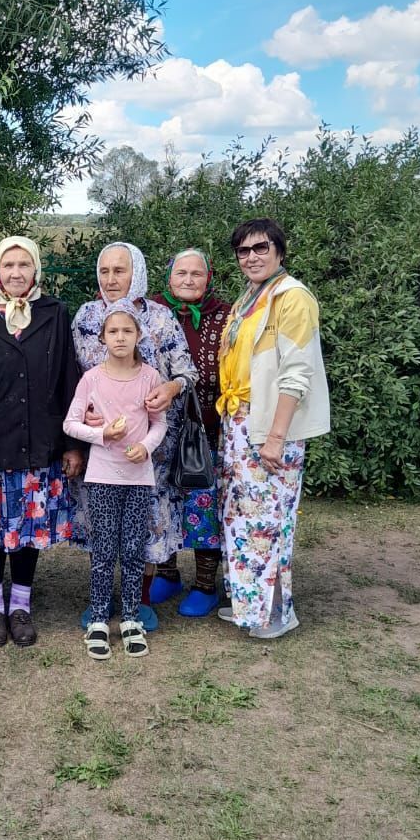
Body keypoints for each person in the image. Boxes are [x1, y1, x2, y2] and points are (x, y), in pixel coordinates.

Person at [72, 242, 196, 632]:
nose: (111, 279)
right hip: (102, 444)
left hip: (148, 447)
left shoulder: (159, 318)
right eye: (105, 270)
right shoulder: (87, 316)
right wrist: (87, 411)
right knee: (104, 522)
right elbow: (77, 374)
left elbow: (186, 370)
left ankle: (136, 600)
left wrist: (172, 389)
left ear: (136, 273)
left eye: (119, 271)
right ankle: (101, 598)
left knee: (141, 524)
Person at [0, 236, 82, 647]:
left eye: (24, 265)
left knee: (29, 532)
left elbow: (68, 377)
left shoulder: (53, 313)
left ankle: (21, 606)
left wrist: (71, 444)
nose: (16, 273)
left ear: (36, 270)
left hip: (39, 441)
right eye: (9, 265)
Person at [217, 218, 329, 639]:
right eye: (243, 251)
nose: (251, 257)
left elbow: (296, 374)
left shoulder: (292, 298)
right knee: (242, 519)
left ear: (279, 250)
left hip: (268, 425)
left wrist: (277, 437)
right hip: (240, 421)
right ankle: (250, 605)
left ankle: (277, 612)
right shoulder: (251, 296)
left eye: (260, 248)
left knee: (269, 521)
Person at [64, 301, 167, 659]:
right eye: (113, 331)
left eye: (127, 331)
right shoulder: (91, 378)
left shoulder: (150, 377)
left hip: (139, 479)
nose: (120, 338)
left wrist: (146, 446)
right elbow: (71, 423)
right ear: (102, 338)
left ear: (139, 336)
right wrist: (104, 434)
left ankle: (131, 618)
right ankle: (98, 620)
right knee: (104, 551)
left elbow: (160, 424)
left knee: (134, 551)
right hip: (102, 477)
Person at [151, 249, 231, 615]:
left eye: (196, 273)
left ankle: (204, 584)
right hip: (157, 430)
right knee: (160, 502)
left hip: (205, 429)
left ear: (208, 277)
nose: (187, 279)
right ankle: (166, 574)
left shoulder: (225, 315)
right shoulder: (151, 310)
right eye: (180, 272)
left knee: (202, 504)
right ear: (169, 277)